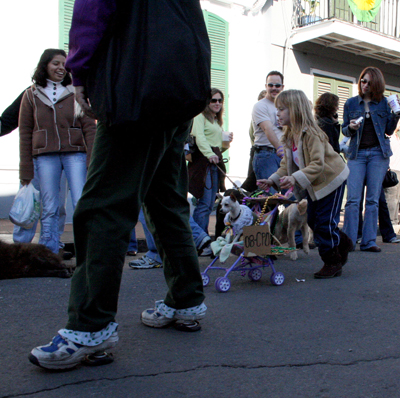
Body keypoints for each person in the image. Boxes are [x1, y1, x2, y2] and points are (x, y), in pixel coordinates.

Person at [29, 0, 210, 370]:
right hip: (176, 87)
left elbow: (93, 9)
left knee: (103, 205)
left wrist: (79, 71)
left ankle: (90, 327)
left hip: (136, 85)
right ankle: (186, 300)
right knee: (165, 199)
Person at [257, 89, 352, 279]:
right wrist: (273, 179)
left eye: (282, 109)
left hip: (332, 181)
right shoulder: (290, 135)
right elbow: (286, 164)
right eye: (278, 109)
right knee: (312, 220)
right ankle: (342, 242)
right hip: (315, 183)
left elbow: (318, 164)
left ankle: (332, 261)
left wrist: (294, 178)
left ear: (295, 110)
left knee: (324, 223)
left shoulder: (312, 134)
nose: (278, 113)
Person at [19, 49, 96, 255]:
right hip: (45, 156)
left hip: (76, 154)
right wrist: (25, 167)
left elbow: (89, 127)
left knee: (81, 201)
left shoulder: (76, 92)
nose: (61, 68)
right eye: (56, 63)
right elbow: (25, 132)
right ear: (45, 65)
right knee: (50, 205)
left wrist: (92, 159)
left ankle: (87, 249)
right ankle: (49, 249)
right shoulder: (31, 94)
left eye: (64, 64)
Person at [1, 90, 72, 259]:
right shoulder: (32, 93)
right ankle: (21, 248)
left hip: (62, 156)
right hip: (35, 157)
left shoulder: (72, 92)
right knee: (29, 203)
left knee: (57, 206)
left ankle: (53, 245)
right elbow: (8, 120)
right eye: (55, 63)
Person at [342, 66, 399, 252]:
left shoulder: (383, 103)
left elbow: (389, 131)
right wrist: (350, 128)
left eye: (368, 81)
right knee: (352, 199)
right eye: (362, 81)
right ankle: (349, 241)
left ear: (376, 83)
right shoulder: (351, 103)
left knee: (373, 200)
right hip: (356, 155)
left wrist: (396, 114)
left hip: (378, 154)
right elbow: (343, 130)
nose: (364, 85)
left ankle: (368, 242)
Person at [188, 88, 233, 236]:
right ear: (207, 102)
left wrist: (226, 143)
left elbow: (217, 148)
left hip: (214, 163)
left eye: (220, 100)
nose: (217, 103)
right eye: (213, 100)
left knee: (208, 205)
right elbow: (199, 137)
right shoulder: (200, 116)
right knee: (204, 204)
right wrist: (209, 154)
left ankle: (202, 237)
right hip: (203, 163)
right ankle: (199, 240)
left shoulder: (216, 120)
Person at [251, 71, 285, 194]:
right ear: (266, 86)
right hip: (266, 155)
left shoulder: (284, 106)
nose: (274, 88)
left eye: (277, 86)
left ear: (282, 87)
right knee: (269, 198)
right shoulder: (260, 106)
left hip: (283, 156)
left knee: (291, 197)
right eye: (271, 85)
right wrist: (280, 148)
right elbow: (267, 129)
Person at [241, 89, 266, 192]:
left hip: (258, 152)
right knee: (257, 188)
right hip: (259, 152)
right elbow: (253, 136)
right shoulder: (258, 116)